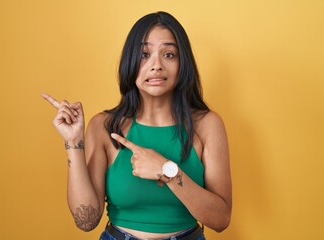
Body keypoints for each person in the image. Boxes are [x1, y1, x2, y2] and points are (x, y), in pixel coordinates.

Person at [42, 11, 231, 240]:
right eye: (144, 54)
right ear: (130, 61)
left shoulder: (207, 125)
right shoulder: (103, 126)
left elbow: (221, 220)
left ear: (183, 63)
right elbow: (86, 220)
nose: (156, 65)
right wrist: (73, 143)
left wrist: (167, 171)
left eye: (169, 54)